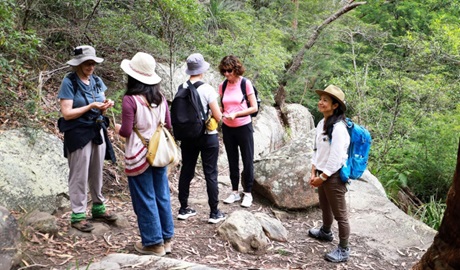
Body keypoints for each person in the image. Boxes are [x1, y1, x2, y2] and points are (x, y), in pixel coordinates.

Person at [114, 52, 174, 256]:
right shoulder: (162, 98)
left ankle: (153, 243)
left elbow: (126, 131)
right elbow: (168, 124)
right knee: (162, 195)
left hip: (138, 155)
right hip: (159, 152)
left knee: (145, 197)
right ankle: (166, 239)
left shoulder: (130, 100)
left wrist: (116, 127)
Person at [57, 45, 117, 233]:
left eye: (92, 63)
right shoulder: (69, 82)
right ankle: (78, 215)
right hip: (77, 132)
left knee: (97, 169)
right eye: (86, 63)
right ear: (78, 63)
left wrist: (105, 105)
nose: (90, 66)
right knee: (79, 173)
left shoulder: (97, 81)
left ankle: (98, 208)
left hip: (97, 128)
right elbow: (67, 113)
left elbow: (101, 104)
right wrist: (90, 105)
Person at [176, 53, 225, 224]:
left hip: (188, 136)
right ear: (202, 70)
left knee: (186, 171)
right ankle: (214, 212)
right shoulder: (207, 89)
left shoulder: (181, 87)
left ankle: (183, 209)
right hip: (207, 136)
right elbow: (218, 117)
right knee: (210, 173)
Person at [309, 85, 351, 263]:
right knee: (325, 206)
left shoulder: (339, 128)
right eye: (321, 99)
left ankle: (344, 249)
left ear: (335, 105)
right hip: (321, 172)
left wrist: (323, 177)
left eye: (325, 100)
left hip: (333, 176)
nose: (321, 102)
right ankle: (326, 231)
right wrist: (313, 170)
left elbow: (336, 157)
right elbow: (317, 149)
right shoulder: (322, 123)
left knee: (340, 214)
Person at [218, 55, 258, 208]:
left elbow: (254, 107)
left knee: (247, 160)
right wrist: (220, 113)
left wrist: (236, 114)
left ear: (236, 69)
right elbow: (222, 105)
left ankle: (247, 192)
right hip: (228, 128)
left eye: (229, 71)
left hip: (244, 127)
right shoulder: (223, 85)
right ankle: (234, 191)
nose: (227, 74)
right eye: (224, 71)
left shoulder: (245, 83)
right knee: (232, 160)